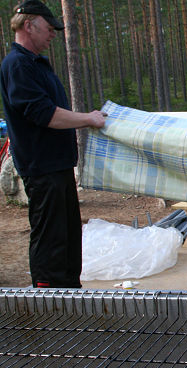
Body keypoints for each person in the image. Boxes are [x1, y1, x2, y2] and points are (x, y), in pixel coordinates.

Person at [1, 0, 106, 288]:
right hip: (41, 168)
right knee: (51, 239)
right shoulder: (18, 65)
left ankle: (69, 292)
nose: (53, 34)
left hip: (57, 165)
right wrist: (88, 119)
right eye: (49, 28)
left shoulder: (35, 63)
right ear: (29, 25)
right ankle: (48, 297)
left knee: (68, 236)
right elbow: (44, 115)